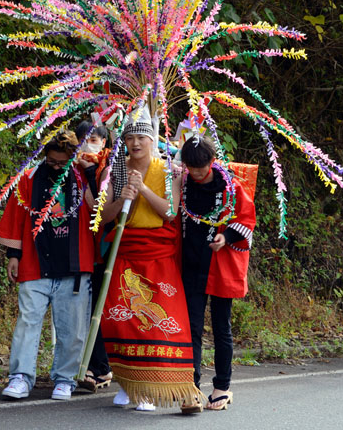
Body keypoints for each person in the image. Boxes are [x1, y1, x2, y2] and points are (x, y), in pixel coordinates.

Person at [97, 108, 204, 412]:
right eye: (130, 137)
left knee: (159, 321)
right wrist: (123, 198)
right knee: (122, 320)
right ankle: (128, 383)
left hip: (158, 253)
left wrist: (142, 189)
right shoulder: (114, 169)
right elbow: (103, 217)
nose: (136, 143)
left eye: (142, 136)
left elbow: (170, 211)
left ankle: (154, 387)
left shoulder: (169, 169)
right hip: (126, 249)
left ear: (152, 139)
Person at [0, 130, 95, 400]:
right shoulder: (29, 178)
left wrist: (92, 173)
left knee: (72, 326)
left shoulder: (84, 176)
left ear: (73, 158)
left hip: (74, 264)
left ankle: (65, 378)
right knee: (28, 321)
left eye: (63, 163)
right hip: (35, 260)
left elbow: (100, 209)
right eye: (52, 162)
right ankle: (20, 377)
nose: (58, 167)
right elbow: (16, 214)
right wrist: (13, 255)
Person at [179, 136, 256, 412]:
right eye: (191, 168)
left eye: (201, 168)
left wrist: (225, 236)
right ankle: (190, 387)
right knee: (192, 328)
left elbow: (247, 220)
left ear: (212, 162)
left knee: (222, 327)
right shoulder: (183, 182)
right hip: (191, 262)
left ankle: (222, 386)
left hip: (221, 263)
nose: (197, 174)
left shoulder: (231, 187)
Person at [72, 121, 114, 392]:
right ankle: (98, 366)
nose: (89, 144)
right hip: (77, 245)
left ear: (105, 142)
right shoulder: (69, 165)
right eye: (83, 139)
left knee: (99, 308)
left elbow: (101, 204)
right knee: (86, 309)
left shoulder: (108, 167)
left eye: (95, 139)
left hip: (102, 246)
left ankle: (100, 366)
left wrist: (90, 173)